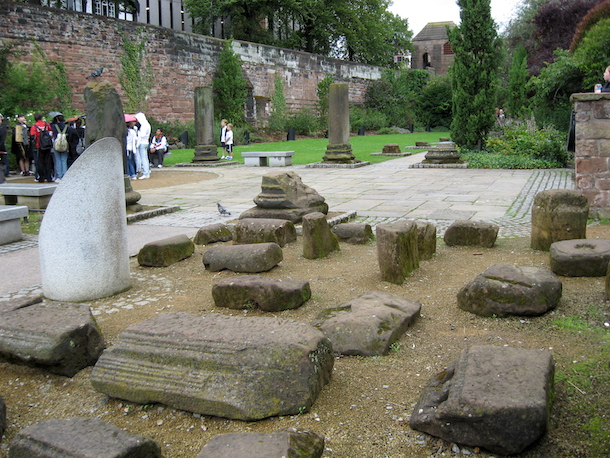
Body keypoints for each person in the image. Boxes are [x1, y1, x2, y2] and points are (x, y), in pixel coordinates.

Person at [30, 113, 54, 182]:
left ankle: (41, 177)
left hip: (39, 145)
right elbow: (51, 133)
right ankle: (49, 177)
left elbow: (32, 136)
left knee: (40, 162)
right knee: (48, 161)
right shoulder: (46, 125)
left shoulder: (34, 126)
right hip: (47, 145)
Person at [50, 113, 72, 182]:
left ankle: (59, 176)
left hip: (57, 145)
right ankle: (64, 175)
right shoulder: (67, 127)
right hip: (65, 145)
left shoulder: (54, 126)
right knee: (64, 160)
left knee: (58, 160)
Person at [135, 112, 151, 179]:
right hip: (145, 142)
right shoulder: (146, 124)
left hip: (142, 142)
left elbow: (143, 134)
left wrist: (137, 132)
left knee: (143, 158)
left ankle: (146, 172)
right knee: (145, 158)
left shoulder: (144, 125)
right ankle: (146, 171)